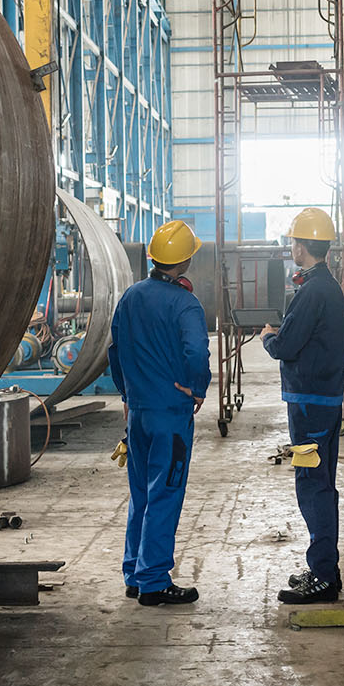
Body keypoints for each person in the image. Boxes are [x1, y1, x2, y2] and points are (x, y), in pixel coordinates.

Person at [108, 219, 210, 607]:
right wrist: (196, 386)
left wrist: (127, 392)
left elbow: (114, 351)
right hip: (170, 416)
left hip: (139, 415)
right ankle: (153, 581)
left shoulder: (132, 296)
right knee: (165, 493)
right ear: (184, 262)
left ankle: (135, 571)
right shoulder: (185, 303)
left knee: (141, 494)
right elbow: (196, 352)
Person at [260, 207, 344, 605]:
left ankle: (323, 577)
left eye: (293, 242)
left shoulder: (312, 291)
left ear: (300, 247)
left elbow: (286, 346)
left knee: (312, 486)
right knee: (321, 484)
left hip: (310, 405)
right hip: (322, 401)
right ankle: (324, 568)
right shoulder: (325, 286)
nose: (291, 248)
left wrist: (267, 337)